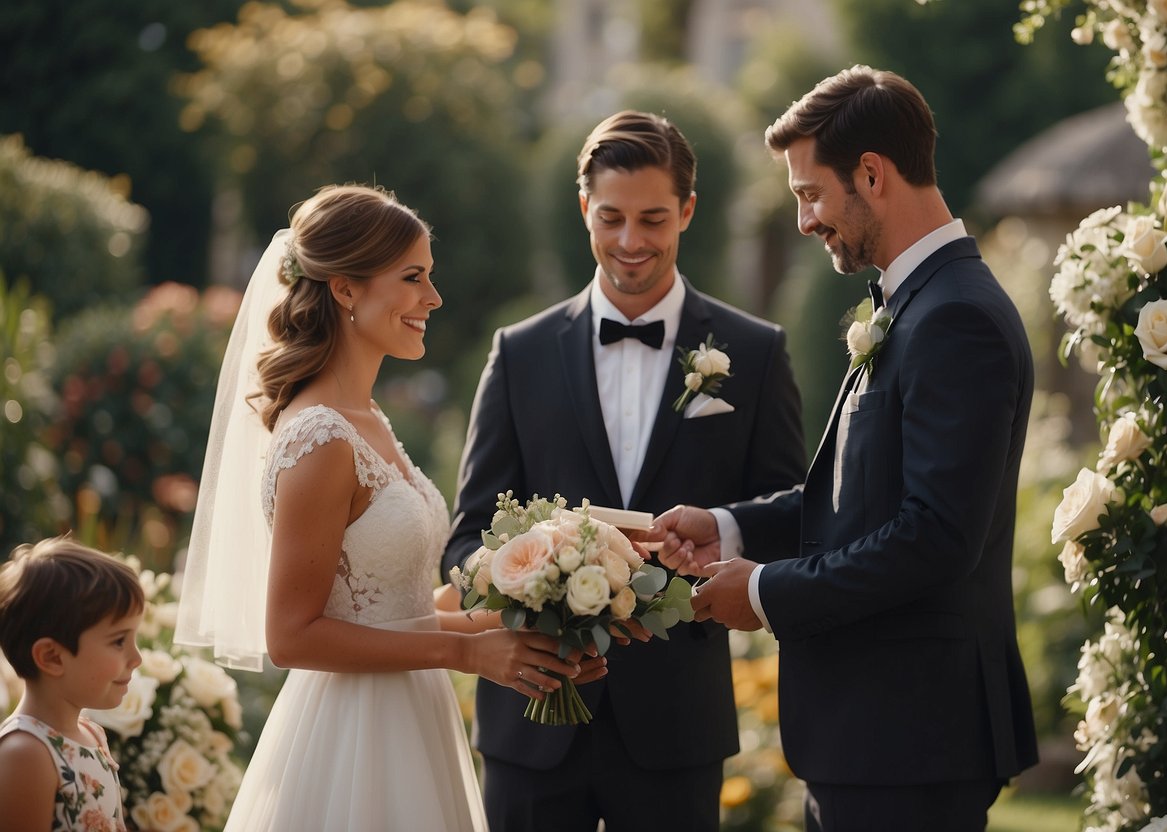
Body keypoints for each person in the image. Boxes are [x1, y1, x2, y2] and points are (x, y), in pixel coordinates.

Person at [645, 66, 1040, 831]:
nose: (803, 222)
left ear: (871, 173)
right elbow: (859, 498)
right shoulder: (918, 304)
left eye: (809, 195)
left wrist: (763, 592)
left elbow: (933, 538)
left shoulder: (955, 319)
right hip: (878, 739)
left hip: (910, 738)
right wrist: (727, 526)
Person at [175, 184, 603, 831]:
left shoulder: (366, 418)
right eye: (413, 278)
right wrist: (465, 655)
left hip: (412, 711)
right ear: (345, 288)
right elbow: (291, 635)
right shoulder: (318, 437)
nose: (432, 298)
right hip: (351, 735)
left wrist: (518, 624)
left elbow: (395, 609)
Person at [441, 111, 806, 832]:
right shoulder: (519, 353)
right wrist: (532, 582)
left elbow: (794, 514)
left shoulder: (754, 352)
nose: (631, 242)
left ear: (688, 212)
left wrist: (718, 549)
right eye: (610, 217)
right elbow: (464, 546)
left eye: (653, 218)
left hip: (677, 723)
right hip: (531, 721)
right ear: (584, 208)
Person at [0, 535, 145, 831]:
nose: (137, 657)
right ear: (52, 657)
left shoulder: (92, 734)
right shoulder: (25, 753)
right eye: (119, 641)